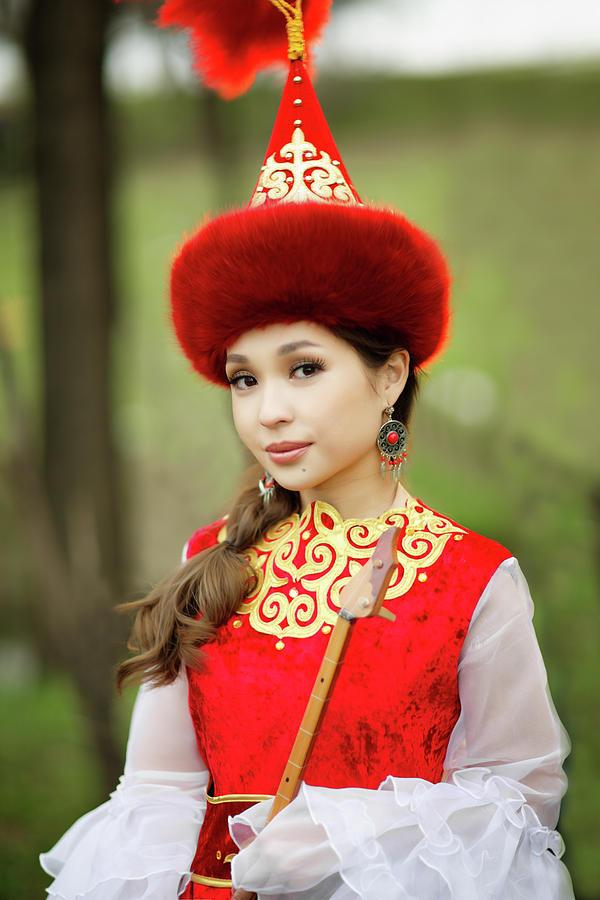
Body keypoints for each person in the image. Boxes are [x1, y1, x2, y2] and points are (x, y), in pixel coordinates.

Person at [39, 1, 575, 897]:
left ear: (390, 374)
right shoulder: (210, 563)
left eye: (304, 368)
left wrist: (351, 837)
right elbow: (156, 796)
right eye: (244, 380)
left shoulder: (473, 581)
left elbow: (521, 798)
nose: (269, 412)